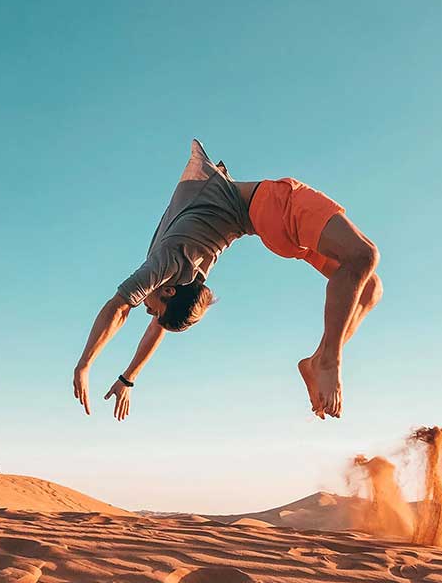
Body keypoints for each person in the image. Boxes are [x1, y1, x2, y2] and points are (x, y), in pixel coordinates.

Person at [73, 139, 381, 421]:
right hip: (273, 208)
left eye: (152, 310)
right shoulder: (175, 265)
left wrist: (94, 365)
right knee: (363, 256)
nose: (148, 311)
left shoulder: (168, 265)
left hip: (271, 228)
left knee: (368, 288)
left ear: (168, 290)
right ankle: (327, 361)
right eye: (154, 310)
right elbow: (150, 321)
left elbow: (120, 308)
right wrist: (116, 373)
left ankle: (318, 361)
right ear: (169, 290)